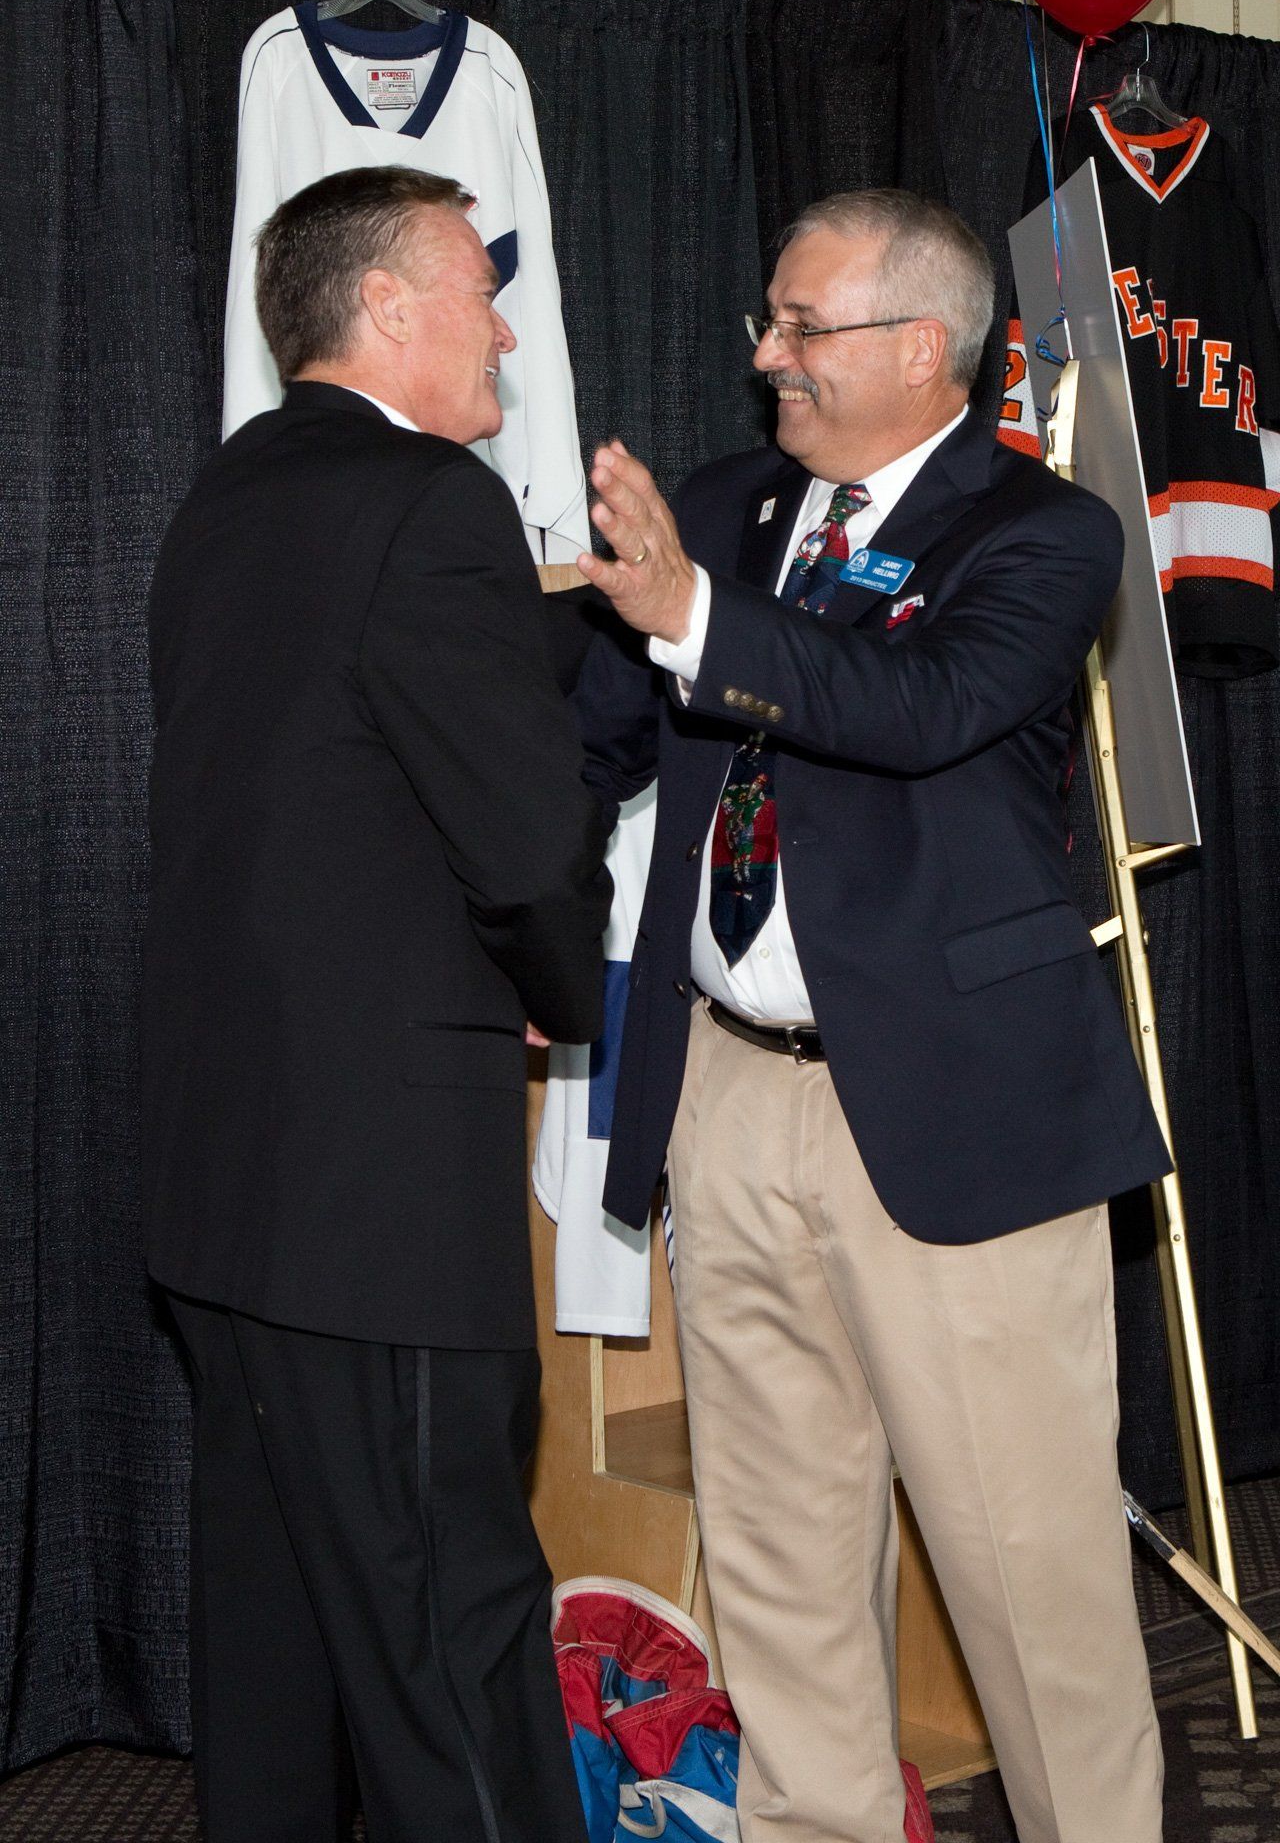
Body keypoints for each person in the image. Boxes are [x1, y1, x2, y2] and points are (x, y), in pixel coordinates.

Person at [573, 190, 1172, 1843]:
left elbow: (917, 708)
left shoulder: (1045, 534)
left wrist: (693, 617)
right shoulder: (724, 509)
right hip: (729, 1097)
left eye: (802, 326)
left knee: (1031, 1586)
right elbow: (586, 741)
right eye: (768, 320)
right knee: (777, 1555)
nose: (767, 352)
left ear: (924, 349)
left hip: (957, 1113)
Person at [141, 165, 610, 1843]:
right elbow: (526, 841)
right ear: (390, 308)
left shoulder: (229, 494)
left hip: (229, 1187)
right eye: (479, 293)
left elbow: (318, 805)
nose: (506, 331)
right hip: (375, 1203)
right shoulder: (433, 503)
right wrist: (561, 992)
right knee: (447, 1642)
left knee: (276, 1647)